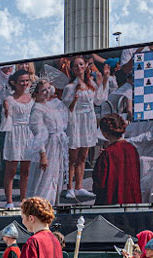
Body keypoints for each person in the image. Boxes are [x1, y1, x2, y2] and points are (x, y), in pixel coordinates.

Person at [62, 56, 110, 200]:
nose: (79, 68)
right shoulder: (69, 87)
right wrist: (74, 100)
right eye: (75, 66)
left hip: (88, 121)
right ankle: (69, 187)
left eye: (81, 64)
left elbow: (98, 99)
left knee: (83, 155)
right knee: (73, 157)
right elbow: (65, 107)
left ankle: (79, 186)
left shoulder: (91, 84)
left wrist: (106, 80)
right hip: (75, 121)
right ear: (72, 69)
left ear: (85, 66)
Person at [26, 79, 69, 206]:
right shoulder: (37, 109)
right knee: (45, 177)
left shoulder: (51, 105)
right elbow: (37, 133)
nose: (46, 92)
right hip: (48, 146)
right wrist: (43, 154)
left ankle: (52, 202)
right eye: (43, 90)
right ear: (36, 93)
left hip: (57, 145)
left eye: (47, 89)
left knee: (55, 175)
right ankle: (42, 204)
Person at [2, 69, 35, 209]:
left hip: (29, 134)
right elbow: (5, 122)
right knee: (11, 169)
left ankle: (23, 200)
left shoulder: (33, 98)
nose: (25, 83)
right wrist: (6, 111)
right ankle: (9, 201)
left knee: (26, 170)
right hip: (14, 133)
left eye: (27, 80)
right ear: (14, 83)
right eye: (22, 81)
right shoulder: (9, 99)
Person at [92, 114, 143, 205]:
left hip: (111, 206)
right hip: (132, 204)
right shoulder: (132, 149)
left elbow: (99, 184)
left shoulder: (107, 154)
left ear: (105, 133)